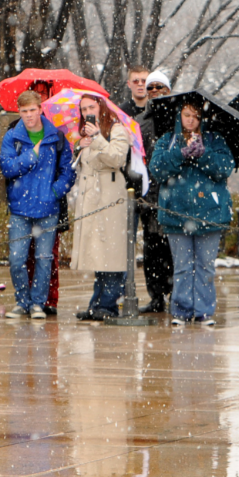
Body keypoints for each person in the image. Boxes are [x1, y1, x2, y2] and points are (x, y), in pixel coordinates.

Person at [150, 103, 235, 325]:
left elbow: (225, 168)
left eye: (196, 116)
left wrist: (204, 155)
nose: (191, 120)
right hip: (176, 214)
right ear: (179, 116)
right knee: (182, 266)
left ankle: (204, 311)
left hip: (210, 214)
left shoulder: (214, 140)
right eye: (186, 115)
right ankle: (181, 310)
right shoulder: (168, 139)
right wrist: (180, 154)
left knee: (205, 266)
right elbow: (157, 169)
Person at [0, 90, 75, 319]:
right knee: (16, 259)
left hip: (47, 209)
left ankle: (37, 304)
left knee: (44, 260)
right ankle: (22, 301)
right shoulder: (12, 136)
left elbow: (68, 172)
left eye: (33, 110)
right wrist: (30, 156)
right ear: (19, 112)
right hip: (20, 210)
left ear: (41, 109)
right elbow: (8, 168)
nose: (29, 115)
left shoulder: (56, 136)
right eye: (24, 111)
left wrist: (54, 191)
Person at [71, 93, 132, 321]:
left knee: (112, 252)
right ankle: (96, 303)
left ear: (100, 107)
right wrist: (80, 146)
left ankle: (108, 304)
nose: (87, 111)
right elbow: (84, 164)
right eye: (83, 108)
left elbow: (117, 158)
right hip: (91, 196)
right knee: (98, 251)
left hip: (110, 195)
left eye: (91, 106)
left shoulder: (115, 129)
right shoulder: (86, 133)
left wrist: (96, 138)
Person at [136, 71, 174, 313]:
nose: (155, 91)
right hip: (149, 195)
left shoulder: (181, 119)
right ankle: (156, 296)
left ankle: (177, 294)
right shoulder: (140, 122)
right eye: (151, 87)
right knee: (152, 248)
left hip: (175, 194)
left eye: (160, 86)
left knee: (174, 247)